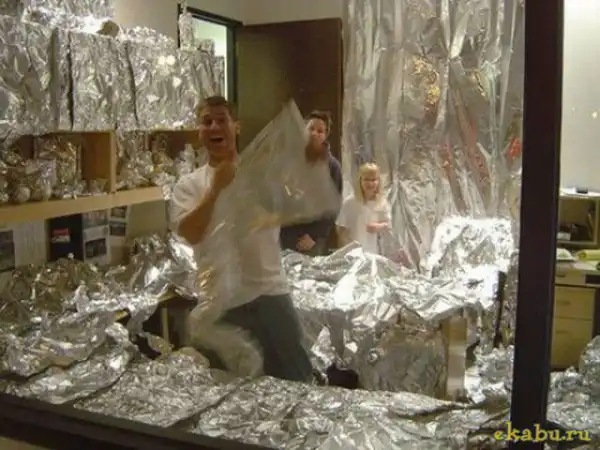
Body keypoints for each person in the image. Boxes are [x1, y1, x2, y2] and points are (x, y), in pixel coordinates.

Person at [170, 95, 326, 382]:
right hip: (220, 302)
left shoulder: (263, 177)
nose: (214, 127)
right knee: (224, 389)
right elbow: (191, 232)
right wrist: (216, 190)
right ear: (199, 131)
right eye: (207, 122)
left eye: (222, 120)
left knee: (295, 382)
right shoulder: (188, 186)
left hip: (270, 294)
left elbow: (300, 204)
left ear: (236, 127)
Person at [280, 110, 343, 255]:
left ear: (325, 136)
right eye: (311, 129)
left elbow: (333, 205)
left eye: (320, 131)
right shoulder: (289, 160)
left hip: (311, 239)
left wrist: (315, 235)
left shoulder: (332, 166)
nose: (314, 133)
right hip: (285, 232)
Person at [336, 162, 392, 254]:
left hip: (373, 253)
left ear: (378, 181)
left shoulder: (382, 203)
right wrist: (347, 247)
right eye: (366, 179)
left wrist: (379, 226)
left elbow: (389, 225)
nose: (370, 183)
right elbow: (341, 227)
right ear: (360, 181)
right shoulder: (350, 203)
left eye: (373, 179)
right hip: (354, 254)